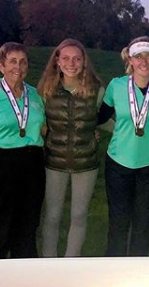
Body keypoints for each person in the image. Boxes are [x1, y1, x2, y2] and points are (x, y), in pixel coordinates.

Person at [0, 42, 46, 259]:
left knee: (27, 229)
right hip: (1, 166)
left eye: (23, 62)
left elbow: (43, 128)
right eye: (12, 61)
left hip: (32, 166)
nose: (18, 67)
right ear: (0, 66)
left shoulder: (35, 95)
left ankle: (24, 286)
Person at [99, 36, 149, 256]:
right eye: (139, 57)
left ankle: (138, 274)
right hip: (119, 163)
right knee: (118, 221)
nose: (144, 62)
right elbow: (101, 117)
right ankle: (114, 271)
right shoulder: (116, 86)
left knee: (143, 223)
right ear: (130, 59)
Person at [38, 39, 103, 257]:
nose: (71, 63)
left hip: (86, 164)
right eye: (65, 58)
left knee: (79, 214)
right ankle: (49, 263)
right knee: (52, 216)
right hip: (54, 163)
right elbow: (38, 123)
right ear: (57, 60)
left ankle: (70, 263)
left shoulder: (97, 90)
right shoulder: (46, 89)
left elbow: (106, 120)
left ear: (84, 61)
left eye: (77, 58)